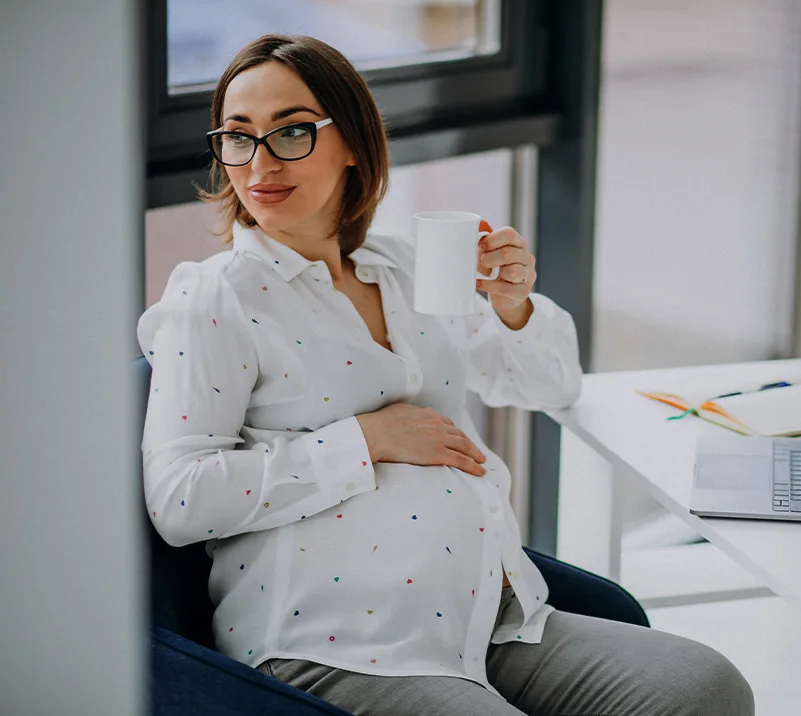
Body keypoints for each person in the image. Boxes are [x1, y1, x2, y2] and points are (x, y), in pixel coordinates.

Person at [138, 33, 754, 716]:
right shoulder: (214, 297)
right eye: (238, 136)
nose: (259, 162)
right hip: (332, 643)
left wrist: (514, 307)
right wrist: (367, 439)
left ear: (352, 143)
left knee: (705, 686)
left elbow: (549, 387)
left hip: (485, 619)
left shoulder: (402, 269)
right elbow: (179, 499)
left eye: (292, 132)